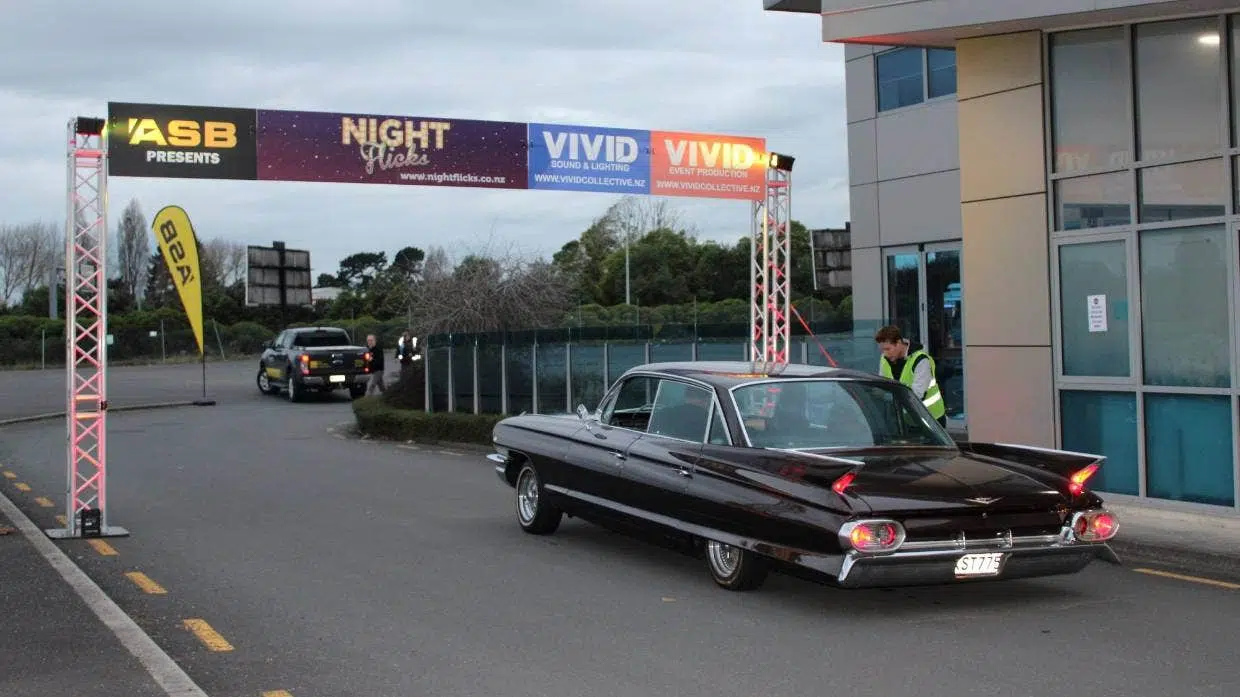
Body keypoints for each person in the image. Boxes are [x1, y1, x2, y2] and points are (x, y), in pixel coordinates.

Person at [874, 325, 947, 427]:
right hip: (907, 420)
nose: (885, 353)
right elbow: (883, 386)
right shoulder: (885, 358)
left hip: (931, 420)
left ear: (898, 343)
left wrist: (886, 396)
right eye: (882, 350)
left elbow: (916, 395)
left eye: (887, 349)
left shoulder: (921, 360)